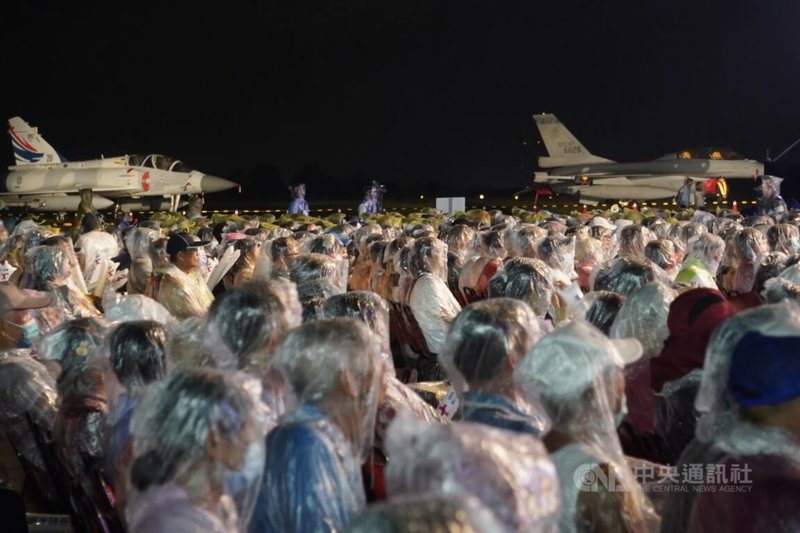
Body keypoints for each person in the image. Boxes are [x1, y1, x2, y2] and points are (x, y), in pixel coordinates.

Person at [146, 232, 214, 319]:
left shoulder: (190, 276)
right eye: (194, 250)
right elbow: (197, 315)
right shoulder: (174, 282)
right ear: (181, 256)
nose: (198, 254)